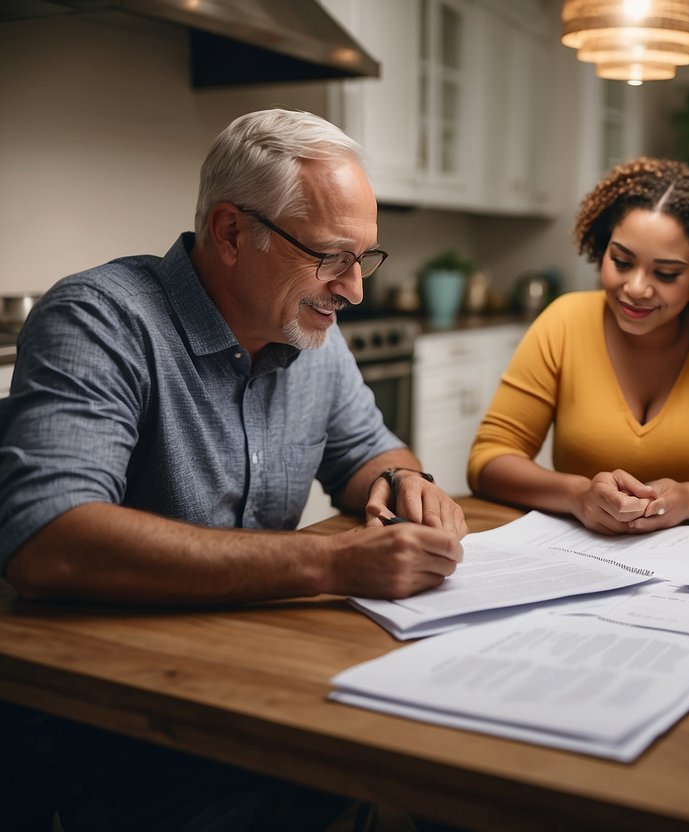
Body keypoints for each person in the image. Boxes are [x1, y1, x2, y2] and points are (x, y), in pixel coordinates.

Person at [0, 108, 468, 830]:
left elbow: (371, 452)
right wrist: (332, 563)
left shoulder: (312, 332)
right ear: (230, 232)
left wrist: (408, 485)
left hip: (260, 688)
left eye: (364, 258)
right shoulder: (99, 319)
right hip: (121, 732)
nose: (354, 288)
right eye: (330, 255)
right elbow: (47, 543)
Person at [467, 158, 689, 534]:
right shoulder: (564, 321)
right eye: (622, 261)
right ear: (602, 248)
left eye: (666, 273)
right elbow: (489, 459)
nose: (636, 288)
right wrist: (578, 495)